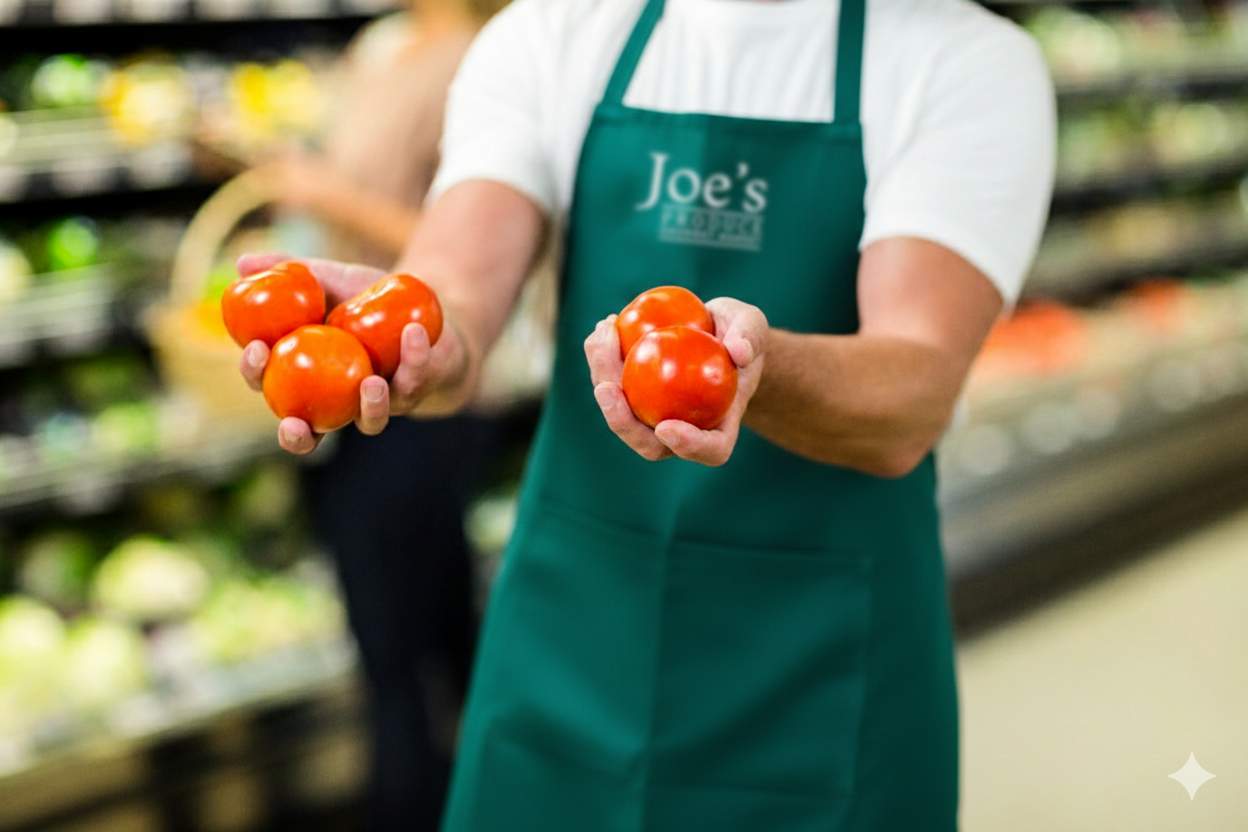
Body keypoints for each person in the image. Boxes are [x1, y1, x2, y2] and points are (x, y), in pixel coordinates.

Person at [236, 0, 1055, 827]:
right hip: (575, 630)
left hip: (822, 658)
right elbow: (456, 287)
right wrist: (412, 338)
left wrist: (754, 368)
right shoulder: (554, 31)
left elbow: (913, 392)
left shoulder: (962, 61)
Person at [240, 1, 507, 828]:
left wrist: (327, 195)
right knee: (415, 617)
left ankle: (418, 801)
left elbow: (466, 243)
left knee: (403, 637)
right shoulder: (382, 42)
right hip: (336, 358)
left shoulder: (481, 56)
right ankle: (467, 795)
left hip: (415, 370)